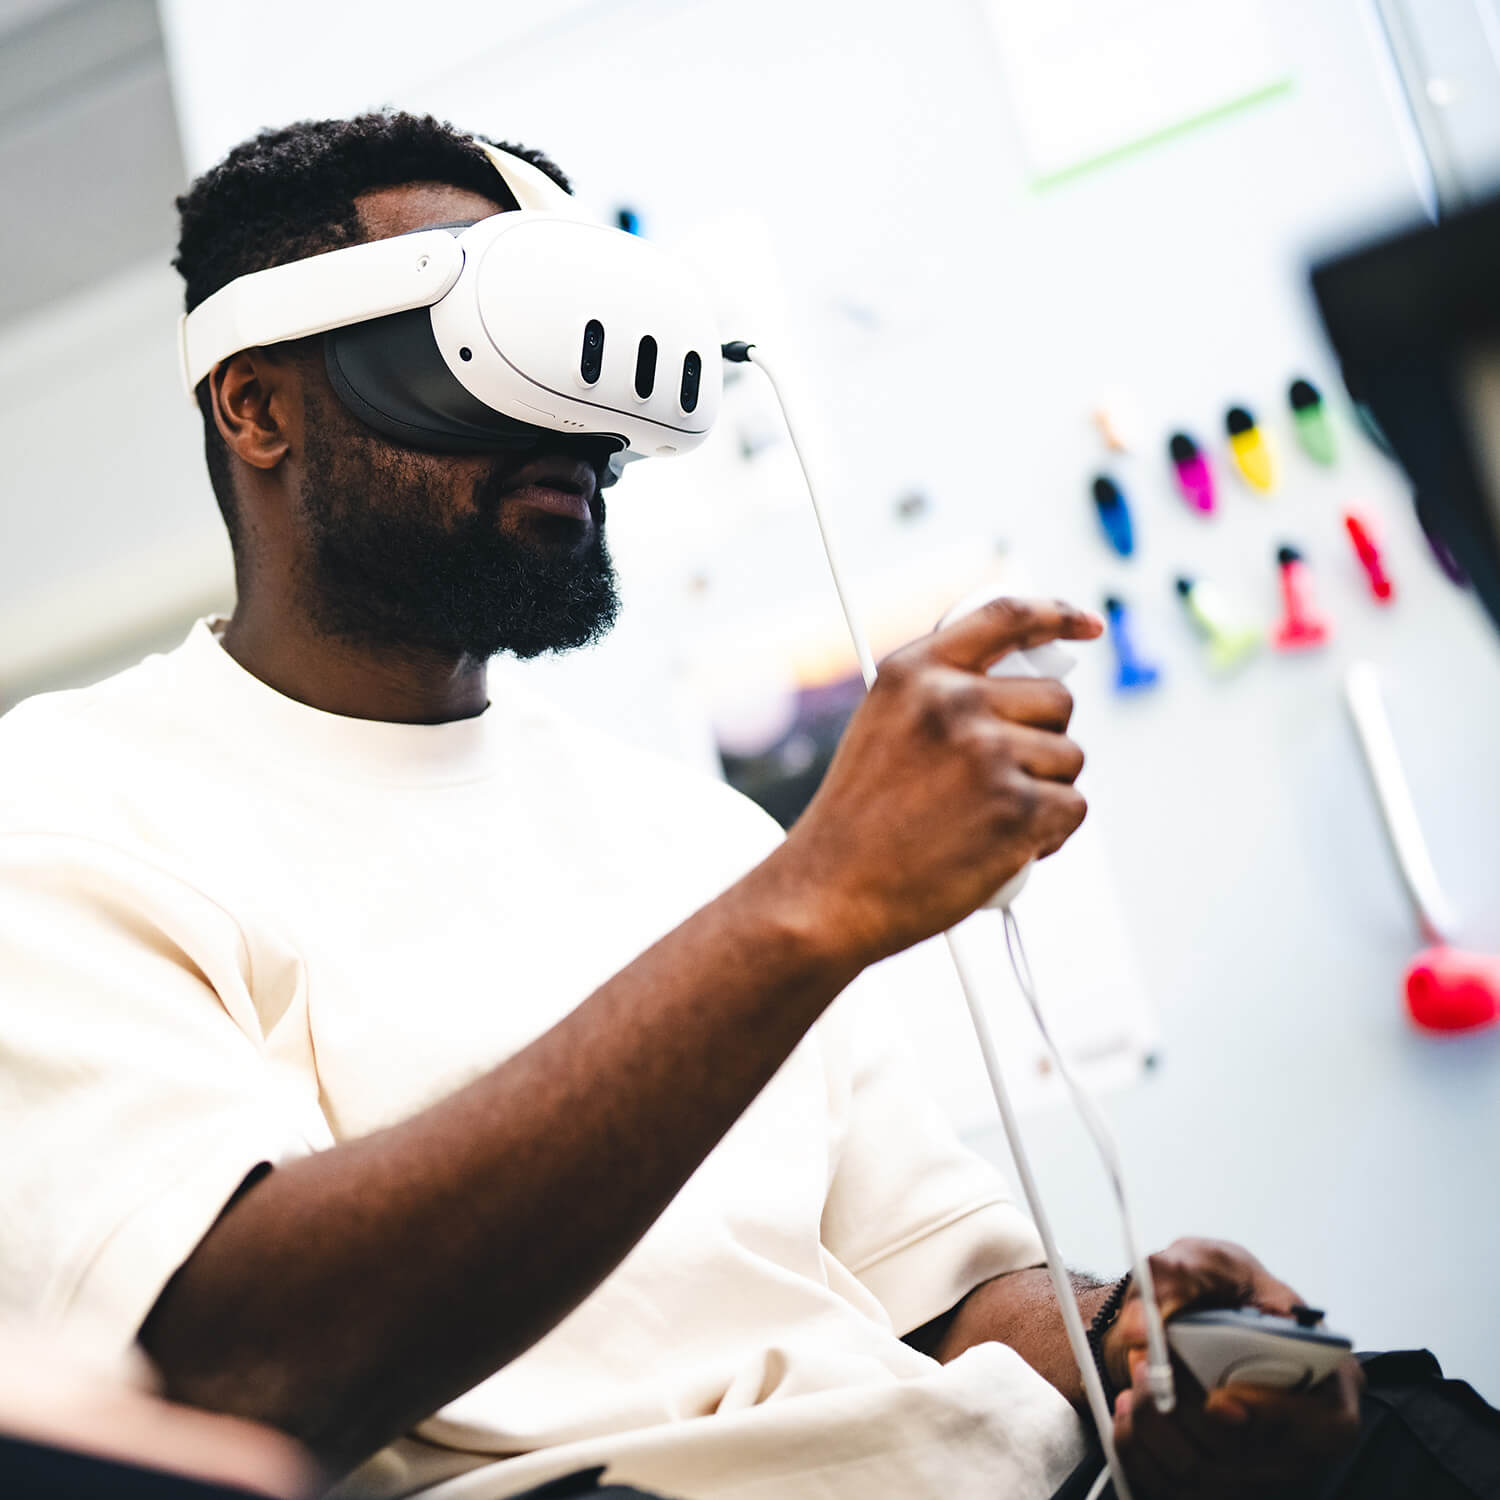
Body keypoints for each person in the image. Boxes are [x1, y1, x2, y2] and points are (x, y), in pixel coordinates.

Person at [0, 112, 1490, 1500]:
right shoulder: (75, 809)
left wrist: (1127, 1344)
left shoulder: (688, 832)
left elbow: (941, 1297)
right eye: (491, 348)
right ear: (256, 406)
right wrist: (810, 906)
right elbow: (235, 1370)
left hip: (986, 1469)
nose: (578, 425)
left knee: (1420, 1434)